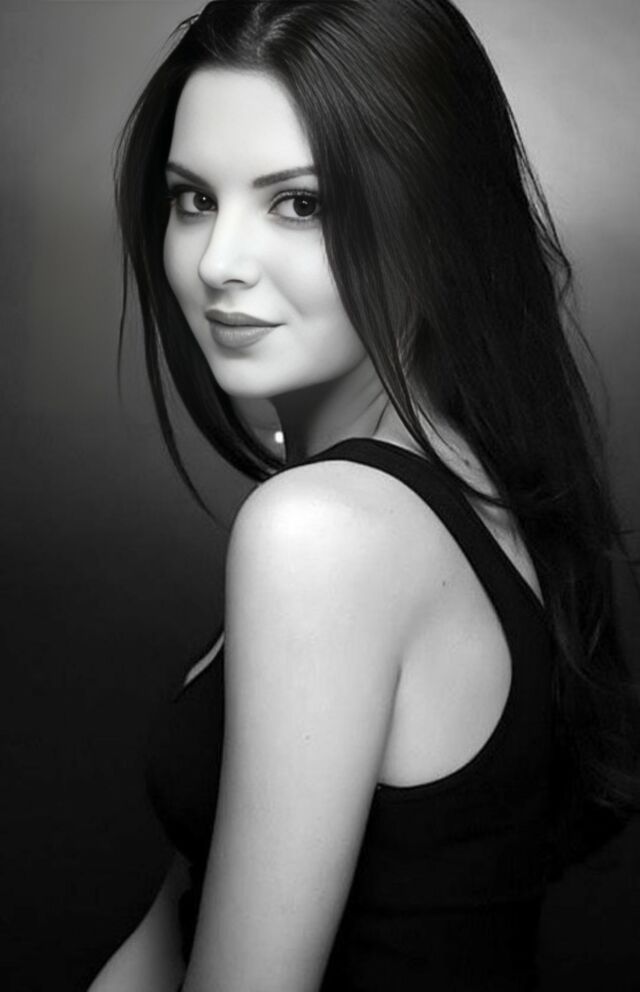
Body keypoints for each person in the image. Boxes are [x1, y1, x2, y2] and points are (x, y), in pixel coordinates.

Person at [88, 1, 640, 990]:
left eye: (299, 204)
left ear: (432, 219)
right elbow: (188, 906)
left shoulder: (323, 533)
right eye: (193, 198)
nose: (218, 263)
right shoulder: (469, 483)